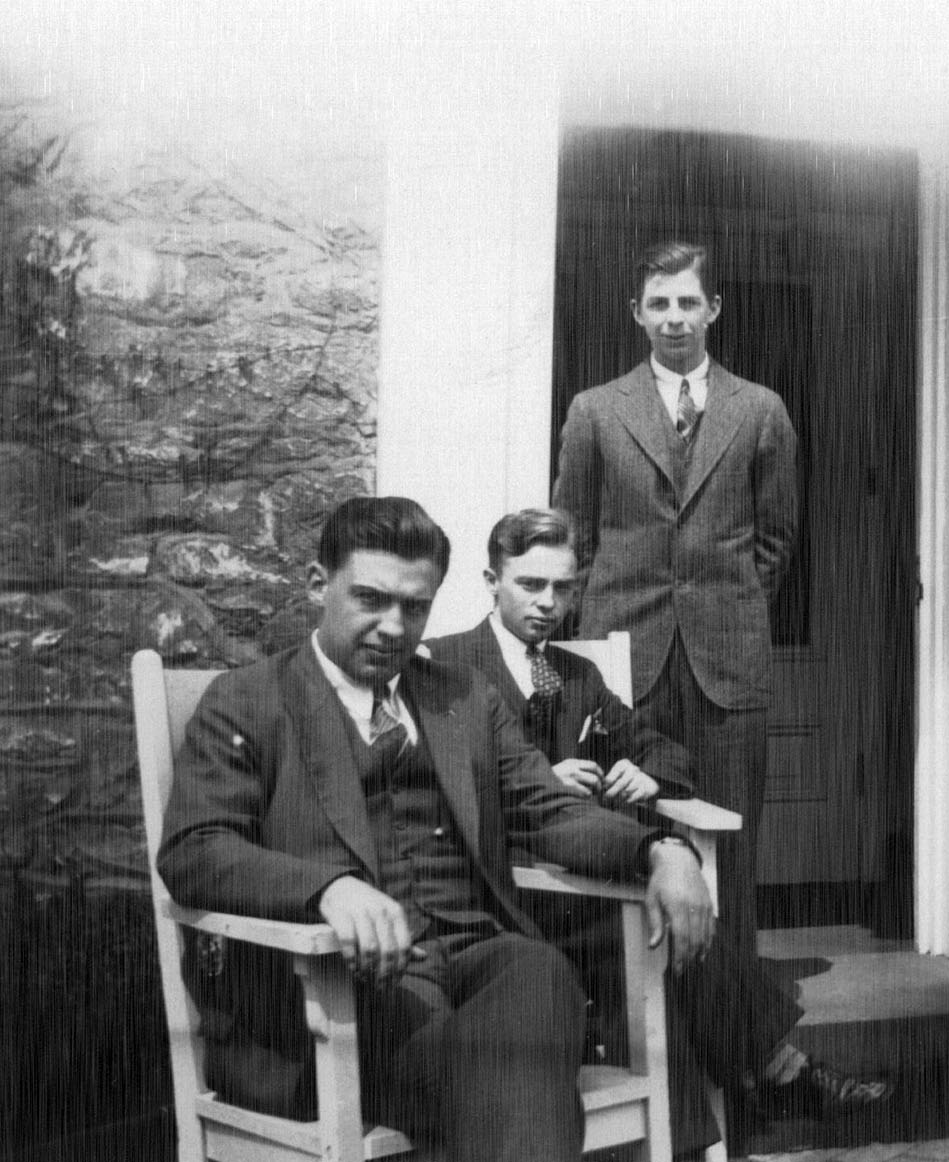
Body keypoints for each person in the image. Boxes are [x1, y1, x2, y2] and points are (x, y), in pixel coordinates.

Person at [156, 497, 714, 1162]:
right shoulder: (249, 699)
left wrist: (660, 849)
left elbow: (550, 809)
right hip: (348, 997)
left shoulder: (462, 697)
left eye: (415, 607)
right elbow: (195, 849)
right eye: (370, 599)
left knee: (539, 973)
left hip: (478, 967)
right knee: (516, 1071)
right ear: (317, 585)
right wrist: (326, 889)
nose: (394, 627)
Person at [425, 507, 891, 1134]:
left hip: (587, 885)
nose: (548, 603)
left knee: (659, 929)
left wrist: (651, 777)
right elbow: (437, 796)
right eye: (530, 585)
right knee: (655, 937)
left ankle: (747, 1092)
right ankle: (778, 1074)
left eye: (562, 588)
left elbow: (665, 752)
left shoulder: (578, 676)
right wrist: (538, 780)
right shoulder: (447, 669)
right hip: (504, 896)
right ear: (492, 581)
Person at [553, 239, 798, 950]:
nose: (674, 317)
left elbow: (776, 539)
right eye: (658, 303)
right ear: (636, 313)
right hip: (626, 655)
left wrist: (729, 606)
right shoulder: (596, 411)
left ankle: (732, 996)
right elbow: (574, 538)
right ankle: (641, 1003)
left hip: (726, 660)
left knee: (730, 832)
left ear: (713, 309)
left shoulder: (761, 411)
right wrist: (597, 628)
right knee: (630, 827)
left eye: (688, 302)